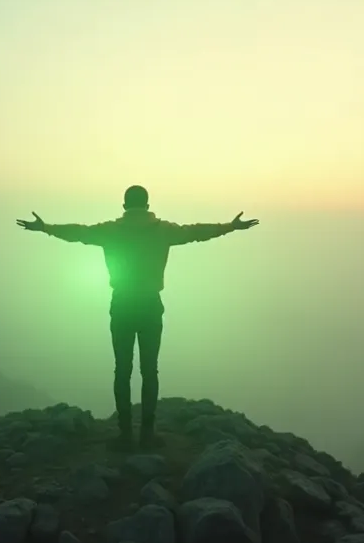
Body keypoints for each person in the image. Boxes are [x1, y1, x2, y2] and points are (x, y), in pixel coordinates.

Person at [16, 185, 259, 450]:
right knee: (149, 370)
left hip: (122, 303)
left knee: (122, 370)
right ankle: (147, 434)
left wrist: (45, 227)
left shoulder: (111, 231)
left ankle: (124, 435)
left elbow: (79, 233)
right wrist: (230, 227)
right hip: (150, 304)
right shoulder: (163, 230)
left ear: (124, 205)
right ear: (147, 205)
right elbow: (195, 232)